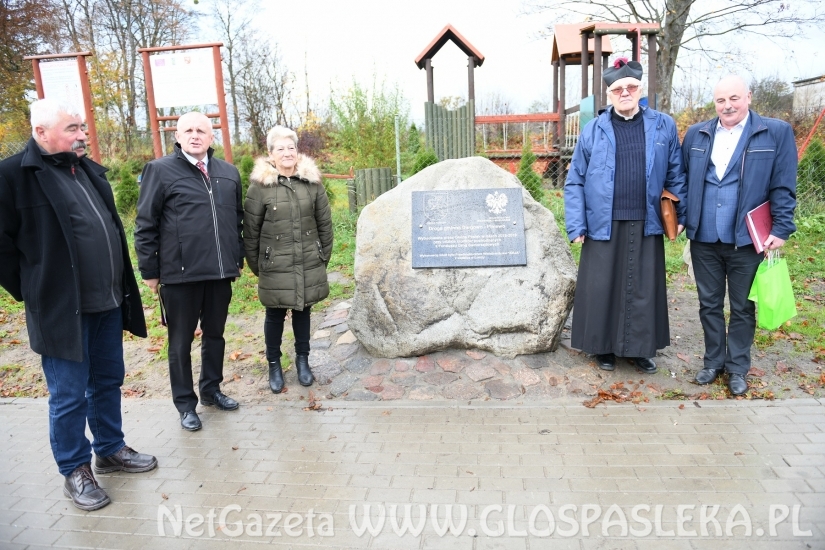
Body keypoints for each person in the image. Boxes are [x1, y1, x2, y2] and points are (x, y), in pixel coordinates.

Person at [0, 98, 156, 511]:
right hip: (59, 311)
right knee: (67, 395)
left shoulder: (86, 170)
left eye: (82, 127)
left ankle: (109, 448)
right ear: (41, 133)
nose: (82, 135)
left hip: (106, 301)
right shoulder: (12, 175)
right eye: (72, 128)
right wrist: (34, 290)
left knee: (107, 381)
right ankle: (74, 470)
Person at [564, 58, 687, 373]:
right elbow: (575, 179)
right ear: (609, 94)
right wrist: (577, 223)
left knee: (642, 288)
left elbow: (676, 174)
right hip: (602, 222)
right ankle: (602, 347)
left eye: (631, 87)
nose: (625, 92)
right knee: (602, 287)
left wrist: (680, 213)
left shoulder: (663, 125)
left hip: (647, 220)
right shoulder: (593, 130)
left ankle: (639, 349)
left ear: (640, 89)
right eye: (617, 89)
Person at [682, 75, 797, 396]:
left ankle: (737, 368)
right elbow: (683, 181)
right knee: (709, 304)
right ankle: (712, 362)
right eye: (721, 100)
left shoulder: (774, 133)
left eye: (734, 98)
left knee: (743, 306)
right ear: (714, 103)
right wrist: (681, 219)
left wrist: (781, 227)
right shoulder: (697, 134)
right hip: (704, 236)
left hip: (747, 237)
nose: (728, 105)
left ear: (748, 97)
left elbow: (784, 185)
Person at [135, 112, 244, 430]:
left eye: (202, 130)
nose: (195, 135)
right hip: (179, 275)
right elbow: (145, 225)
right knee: (180, 342)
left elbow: (236, 221)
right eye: (188, 130)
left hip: (220, 272)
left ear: (211, 138)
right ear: (178, 137)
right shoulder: (160, 171)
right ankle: (185, 404)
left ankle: (211, 390)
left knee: (215, 335)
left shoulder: (228, 172)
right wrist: (150, 272)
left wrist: (235, 258)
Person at [243, 126, 333, 393]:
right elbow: (250, 231)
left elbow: (325, 224)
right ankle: (274, 364)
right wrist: (259, 264)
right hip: (274, 264)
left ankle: (302, 361)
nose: (286, 153)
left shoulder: (312, 183)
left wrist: (321, 256)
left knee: (303, 311)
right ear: (270, 154)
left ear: (297, 151)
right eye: (280, 148)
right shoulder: (260, 187)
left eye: (290, 147)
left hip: (307, 260)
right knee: (274, 314)